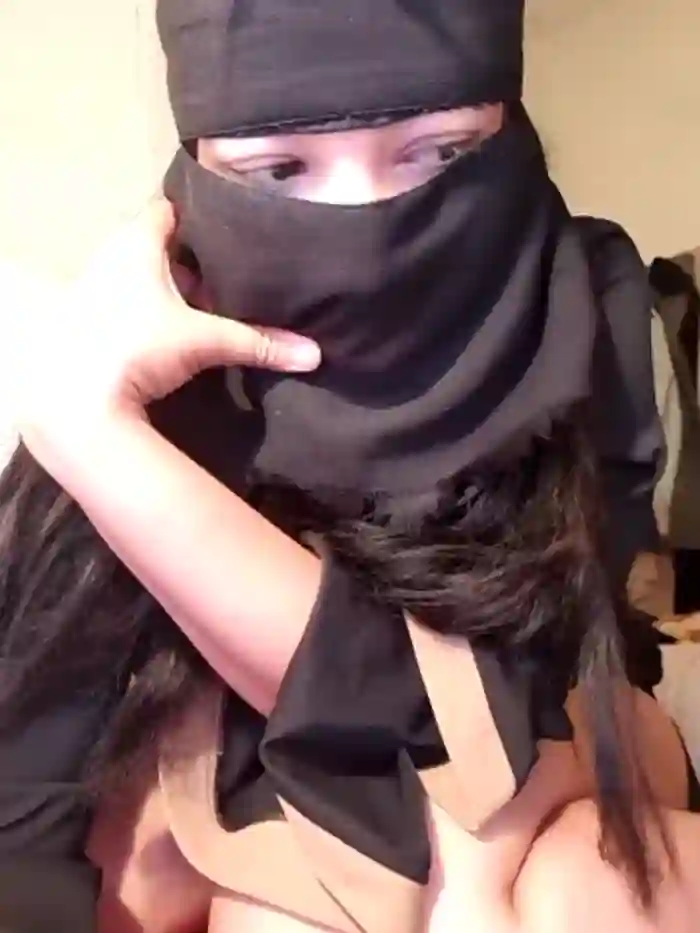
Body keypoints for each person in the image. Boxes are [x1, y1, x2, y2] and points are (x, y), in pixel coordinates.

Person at [1, 1, 699, 931]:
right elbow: (27, 797)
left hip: (562, 782)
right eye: (279, 171)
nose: (366, 219)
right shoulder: (132, 359)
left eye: (442, 153)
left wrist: (95, 439)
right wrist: (93, 432)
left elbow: (477, 733)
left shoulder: (577, 319)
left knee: (567, 871)